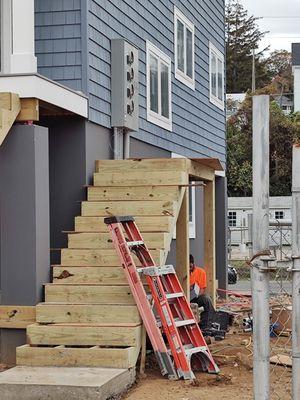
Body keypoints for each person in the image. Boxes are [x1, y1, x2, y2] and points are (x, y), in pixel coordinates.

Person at [189, 254, 215, 330]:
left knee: (207, 299)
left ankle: (206, 326)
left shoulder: (201, 272)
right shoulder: (181, 273)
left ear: (193, 263)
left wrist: (196, 295)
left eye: (190, 265)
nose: (189, 268)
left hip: (195, 297)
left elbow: (202, 289)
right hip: (184, 299)